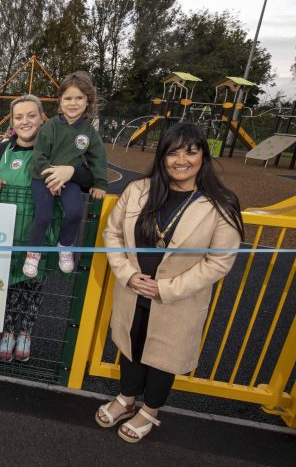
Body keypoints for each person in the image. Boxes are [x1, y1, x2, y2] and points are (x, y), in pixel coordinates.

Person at [96, 122, 244, 443]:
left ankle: (150, 410)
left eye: (191, 152)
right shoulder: (139, 191)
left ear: (203, 156)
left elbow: (219, 261)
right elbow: (113, 233)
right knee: (131, 346)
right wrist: (127, 273)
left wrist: (165, 289)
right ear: (162, 156)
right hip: (133, 291)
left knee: (163, 358)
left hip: (178, 300)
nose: (181, 160)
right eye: (173, 152)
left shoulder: (220, 204)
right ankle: (126, 397)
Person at [0, 94, 94, 362]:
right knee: (7, 287)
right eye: (19, 117)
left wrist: (71, 172)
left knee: (33, 287)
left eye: (31, 115)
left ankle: (26, 332)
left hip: (40, 235)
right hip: (7, 234)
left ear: (42, 118)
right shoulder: (2, 150)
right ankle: (7, 332)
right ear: (13, 121)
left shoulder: (56, 149)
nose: (25, 121)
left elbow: (88, 178)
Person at [26, 71, 108, 278]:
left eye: (79, 98)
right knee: (43, 216)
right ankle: (33, 253)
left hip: (68, 180)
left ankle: (65, 245)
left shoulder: (88, 132)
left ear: (87, 102)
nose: (73, 103)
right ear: (60, 101)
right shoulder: (50, 126)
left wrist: (100, 183)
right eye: (68, 98)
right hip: (42, 177)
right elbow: (39, 156)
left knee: (75, 211)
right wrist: (51, 180)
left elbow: (97, 158)